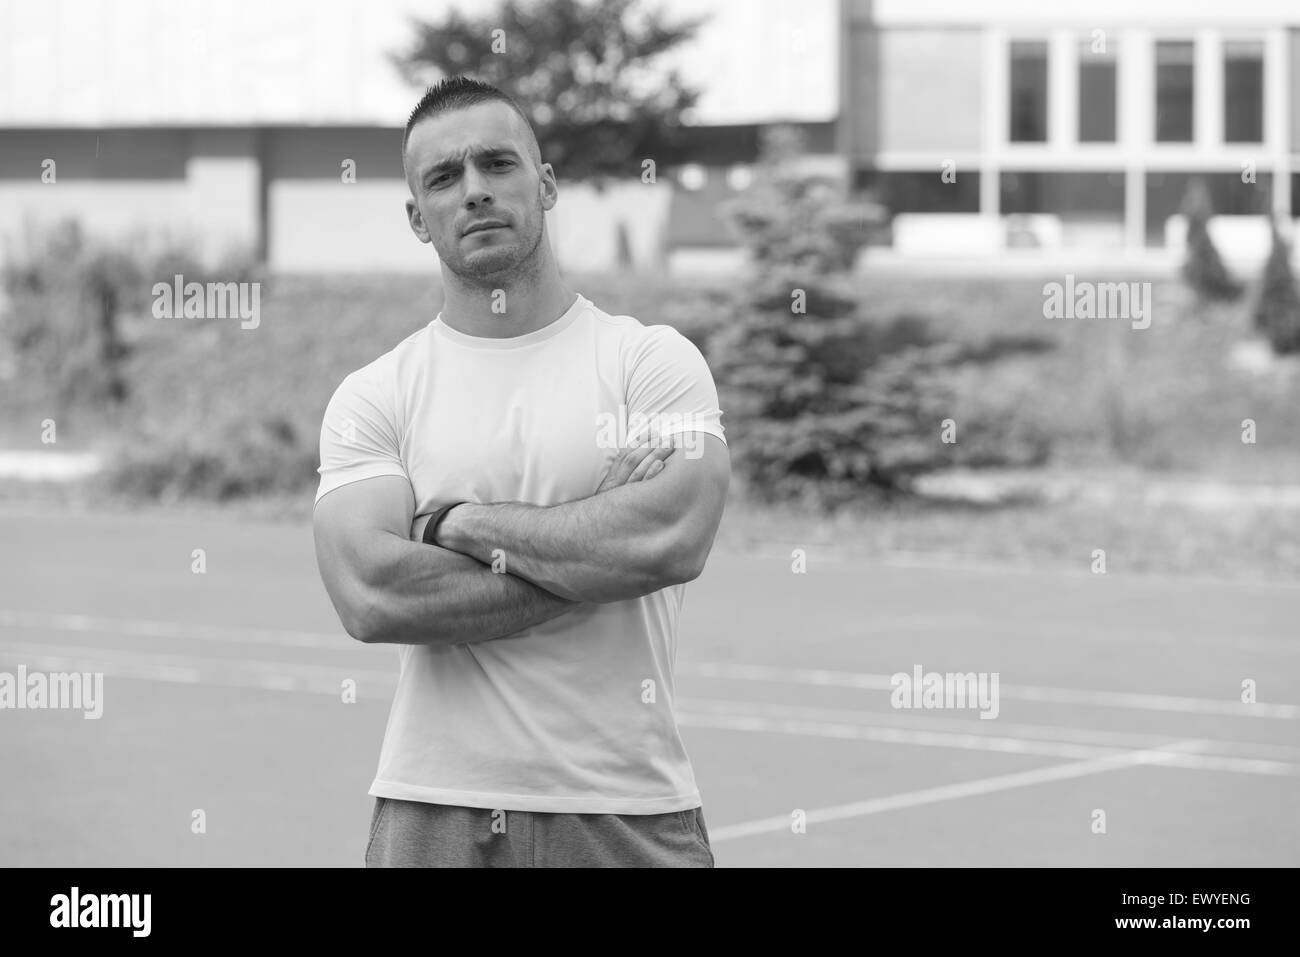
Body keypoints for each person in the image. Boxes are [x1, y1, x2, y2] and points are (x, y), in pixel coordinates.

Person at [311, 75, 731, 867]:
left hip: (624, 807)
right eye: (443, 177)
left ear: (544, 184)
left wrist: (453, 525)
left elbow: (670, 540)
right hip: (432, 808)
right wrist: (591, 541)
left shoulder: (649, 361)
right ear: (416, 217)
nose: (474, 191)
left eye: (497, 164)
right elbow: (370, 594)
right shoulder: (376, 395)